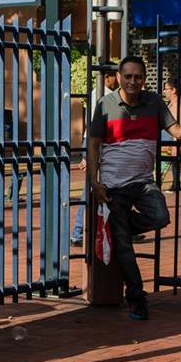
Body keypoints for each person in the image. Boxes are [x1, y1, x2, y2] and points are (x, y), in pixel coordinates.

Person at [88, 56, 181, 320]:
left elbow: (178, 132)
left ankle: (116, 231)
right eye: (128, 76)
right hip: (113, 186)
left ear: (144, 79)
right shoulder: (105, 104)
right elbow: (93, 144)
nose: (133, 81)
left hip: (143, 182)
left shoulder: (154, 103)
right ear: (120, 77)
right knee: (124, 246)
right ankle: (137, 299)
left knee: (160, 216)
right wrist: (94, 181)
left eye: (138, 77)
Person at [71, 68, 118, 247]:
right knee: (92, 187)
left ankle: (110, 229)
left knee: (97, 187)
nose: (118, 80)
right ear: (108, 77)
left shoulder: (97, 94)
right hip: (96, 141)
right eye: (116, 76)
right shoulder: (106, 96)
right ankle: (78, 231)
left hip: (91, 139)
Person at [161, 77, 181, 193]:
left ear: (173, 90)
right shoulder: (174, 103)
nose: (164, 91)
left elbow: (177, 126)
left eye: (166, 89)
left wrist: (175, 144)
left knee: (160, 169)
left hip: (169, 144)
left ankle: (152, 188)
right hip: (169, 143)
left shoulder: (176, 104)